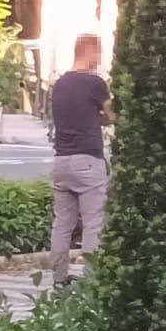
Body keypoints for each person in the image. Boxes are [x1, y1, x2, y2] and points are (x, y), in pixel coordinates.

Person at [49, 34, 112, 285]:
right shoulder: (94, 83)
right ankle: (91, 280)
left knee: (62, 224)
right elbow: (111, 114)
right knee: (93, 223)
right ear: (91, 52)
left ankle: (58, 279)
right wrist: (104, 116)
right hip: (88, 159)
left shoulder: (60, 84)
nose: (100, 59)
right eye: (99, 53)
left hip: (61, 160)